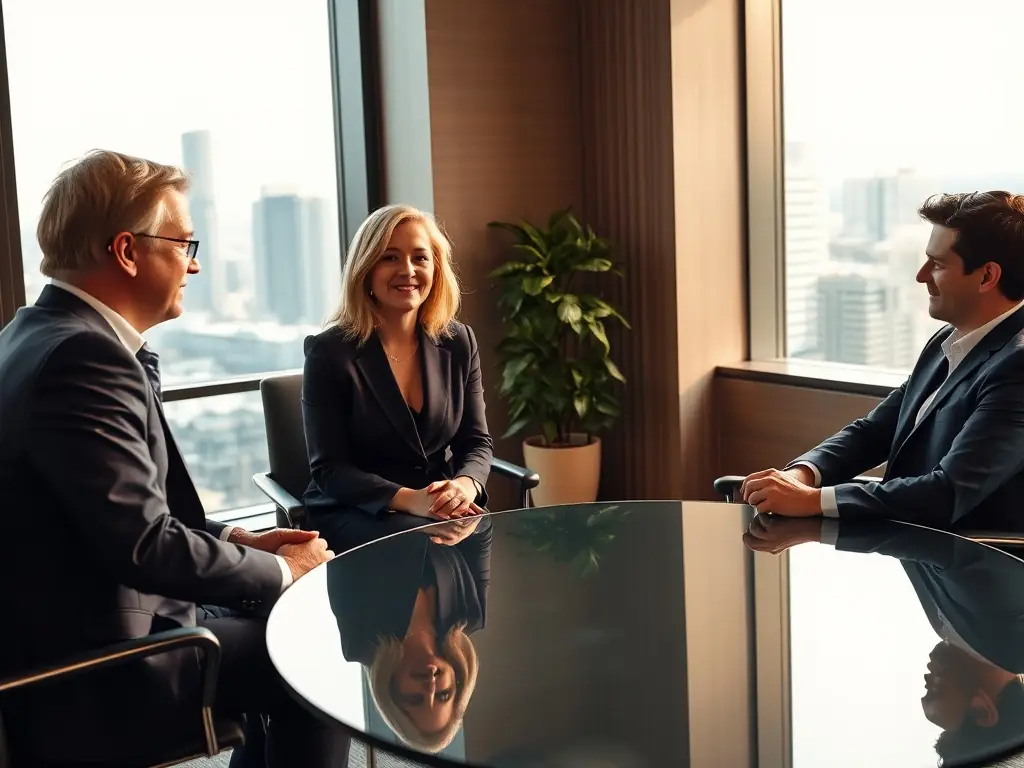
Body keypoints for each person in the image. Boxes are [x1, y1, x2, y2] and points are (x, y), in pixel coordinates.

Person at [0, 150, 348, 766]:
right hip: (100, 662)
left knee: (286, 614)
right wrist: (282, 571)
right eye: (184, 242)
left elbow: (119, 516)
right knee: (316, 648)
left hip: (84, 618)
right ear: (128, 252)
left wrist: (242, 540)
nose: (196, 262)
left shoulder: (30, 335)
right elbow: (142, 546)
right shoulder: (85, 360)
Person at [741, 191, 1024, 531]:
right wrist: (803, 474)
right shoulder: (948, 341)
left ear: (986, 276)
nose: (921, 276)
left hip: (975, 568)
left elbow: (948, 493)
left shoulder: (1016, 366)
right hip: (917, 553)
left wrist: (811, 501)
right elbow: (875, 431)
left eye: (937, 264)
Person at [745, 515, 1024, 765]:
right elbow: (923, 528)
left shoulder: (952, 631)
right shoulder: (1007, 631)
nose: (926, 682)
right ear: (981, 710)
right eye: (935, 696)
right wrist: (812, 527)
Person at [301, 203, 492, 551]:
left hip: (436, 504)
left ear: (435, 268)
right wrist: (411, 500)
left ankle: (467, 609)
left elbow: (476, 442)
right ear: (366, 270)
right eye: (390, 257)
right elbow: (330, 470)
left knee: (475, 531)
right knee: (417, 543)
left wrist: (464, 486)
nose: (408, 270)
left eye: (420, 258)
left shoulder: (459, 341)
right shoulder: (328, 352)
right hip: (356, 509)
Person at [328, 514, 490, 752]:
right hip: (436, 486)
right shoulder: (470, 617)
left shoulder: (361, 641)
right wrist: (466, 523)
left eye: (415, 698)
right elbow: (483, 533)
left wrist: (421, 518)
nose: (431, 687)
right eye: (444, 694)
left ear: (392, 691)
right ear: (457, 682)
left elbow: (342, 539)